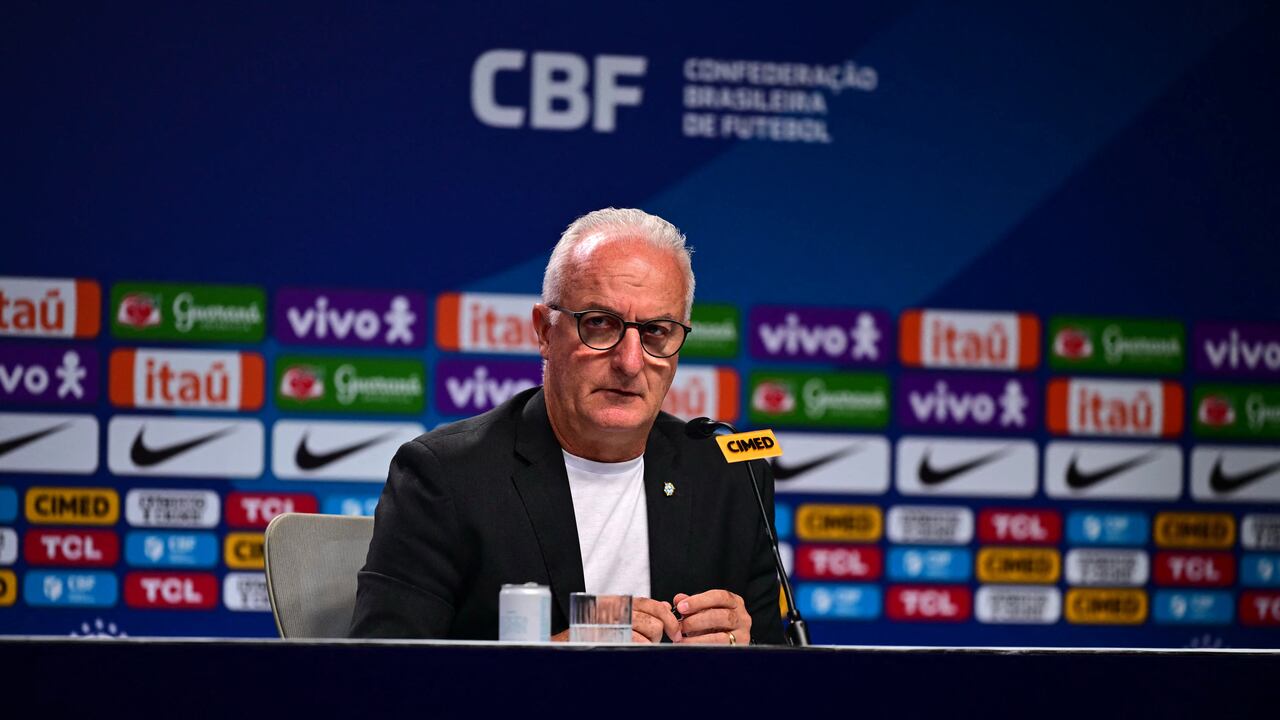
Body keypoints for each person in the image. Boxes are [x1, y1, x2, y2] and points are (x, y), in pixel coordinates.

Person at [350, 208, 783, 644]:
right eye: (600, 323)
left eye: (655, 331)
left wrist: (747, 653)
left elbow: (790, 681)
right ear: (544, 331)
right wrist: (552, 662)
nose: (630, 362)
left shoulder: (731, 477)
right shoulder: (446, 475)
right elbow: (381, 675)